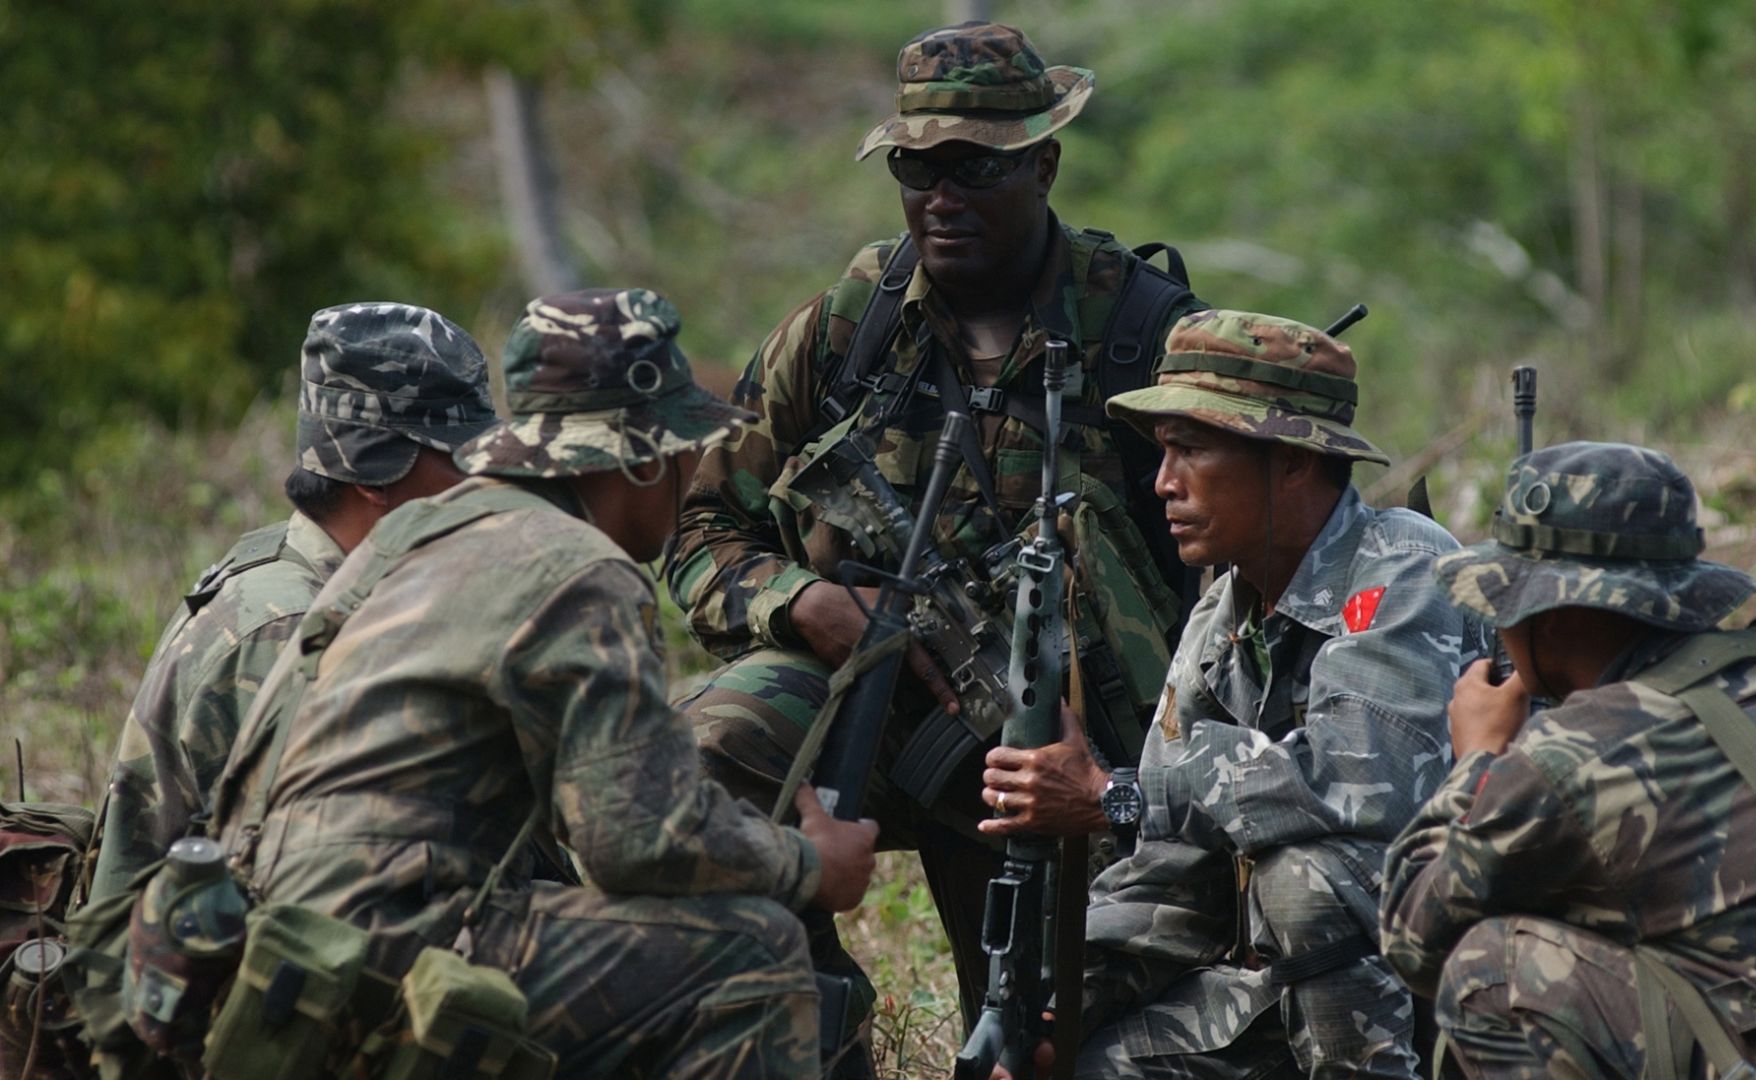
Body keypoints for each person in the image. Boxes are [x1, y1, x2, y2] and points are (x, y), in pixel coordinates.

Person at [667, 18, 1207, 1042]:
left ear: (1043, 163)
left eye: (974, 168)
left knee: (1050, 1040)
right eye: (916, 169)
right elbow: (702, 530)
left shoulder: (1146, 336)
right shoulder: (848, 326)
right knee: (708, 754)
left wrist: (1130, 783)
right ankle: (809, 1031)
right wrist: (804, 602)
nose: (940, 198)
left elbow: (1246, 583)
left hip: (1080, 755)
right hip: (872, 715)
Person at [210, 289, 881, 1077]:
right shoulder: (578, 567)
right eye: (681, 451)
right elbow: (638, 842)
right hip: (385, 949)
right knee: (753, 952)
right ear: (638, 458)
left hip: (274, 952)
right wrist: (810, 863)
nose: (689, 474)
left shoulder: (414, 536)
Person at [992, 309, 1476, 1079]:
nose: (1162, 483)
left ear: (1289, 461)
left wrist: (1122, 797)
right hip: (1315, 984)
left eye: (1192, 450)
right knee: (1090, 1064)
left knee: (1305, 879)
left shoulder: (1404, 569)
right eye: (1163, 453)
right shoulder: (1219, 618)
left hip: (1469, 981)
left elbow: (1356, 783)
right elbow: (1173, 870)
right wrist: (1061, 1008)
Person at [1382, 441, 1756, 1079]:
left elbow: (1411, 936)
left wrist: (1476, 758)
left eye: (1504, 605)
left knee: (1489, 969)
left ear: (1547, 617)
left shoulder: (1580, 751)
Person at [81, 302, 495, 902]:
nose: (480, 483)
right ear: (374, 476)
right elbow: (319, 890)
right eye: (461, 458)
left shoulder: (315, 571)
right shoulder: (289, 631)